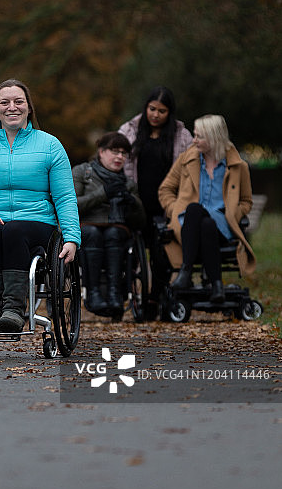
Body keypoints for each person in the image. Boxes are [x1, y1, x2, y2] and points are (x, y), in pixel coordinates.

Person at [0, 78, 81, 333]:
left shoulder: (50, 145)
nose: (12, 107)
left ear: (29, 107)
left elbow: (65, 197)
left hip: (37, 224)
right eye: (5, 102)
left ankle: (13, 309)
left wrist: (71, 238)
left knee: (14, 230)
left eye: (18, 101)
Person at [158, 114, 255, 303]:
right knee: (199, 216)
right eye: (194, 135)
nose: (194, 140)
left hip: (222, 225)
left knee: (203, 218)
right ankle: (217, 286)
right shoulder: (186, 160)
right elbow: (165, 190)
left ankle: (186, 272)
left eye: (199, 136)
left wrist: (235, 214)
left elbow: (246, 201)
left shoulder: (238, 167)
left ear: (214, 138)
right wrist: (174, 209)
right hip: (187, 226)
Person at [119, 86, 192, 315]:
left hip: (167, 204)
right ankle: (128, 296)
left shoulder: (182, 136)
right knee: (131, 252)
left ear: (169, 112)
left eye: (161, 111)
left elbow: (190, 169)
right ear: (146, 108)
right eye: (152, 109)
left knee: (162, 254)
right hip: (137, 203)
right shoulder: (129, 131)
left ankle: (155, 298)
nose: (155, 115)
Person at [72, 132, 146, 318]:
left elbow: (140, 222)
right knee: (93, 233)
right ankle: (93, 293)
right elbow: (72, 205)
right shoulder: (82, 172)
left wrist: (132, 202)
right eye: (115, 151)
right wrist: (103, 194)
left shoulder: (128, 183)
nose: (119, 157)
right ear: (101, 151)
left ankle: (115, 294)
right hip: (87, 227)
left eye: (124, 153)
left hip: (117, 228)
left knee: (114, 233)